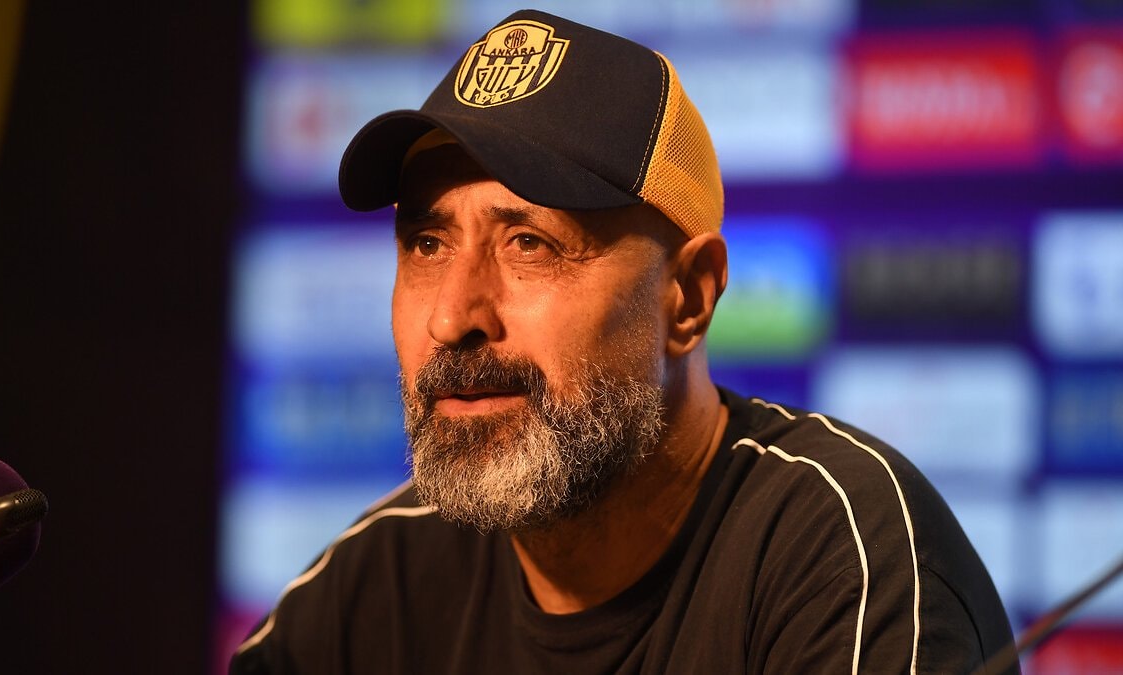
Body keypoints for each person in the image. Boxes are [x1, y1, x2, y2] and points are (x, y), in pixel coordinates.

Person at [231, 10, 1019, 674]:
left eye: (530, 243)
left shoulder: (845, 558)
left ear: (688, 297)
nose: (451, 317)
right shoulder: (371, 587)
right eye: (428, 245)